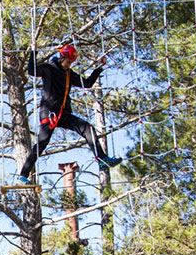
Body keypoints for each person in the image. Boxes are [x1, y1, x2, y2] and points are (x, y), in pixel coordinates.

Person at [18, 44, 122, 185]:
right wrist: (33, 51)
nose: (68, 65)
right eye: (67, 62)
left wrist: (98, 67)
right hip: (49, 113)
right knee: (42, 143)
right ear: (62, 58)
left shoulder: (69, 74)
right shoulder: (48, 69)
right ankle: (23, 174)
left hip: (63, 113)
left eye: (70, 63)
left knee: (87, 128)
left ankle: (102, 159)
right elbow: (31, 70)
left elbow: (87, 83)